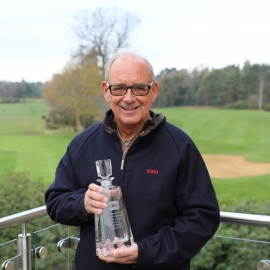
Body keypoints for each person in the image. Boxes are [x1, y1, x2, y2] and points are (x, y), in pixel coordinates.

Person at [45, 50, 220, 270]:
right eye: (119, 88)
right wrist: (83, 204)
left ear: (153, 91)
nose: (129, 98)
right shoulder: (83, 144)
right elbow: (55, 201)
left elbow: (203, 218)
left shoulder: (179, 147)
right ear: (106, 91)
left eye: (139, 87)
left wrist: (146, 252)